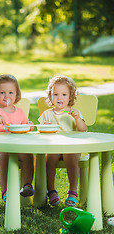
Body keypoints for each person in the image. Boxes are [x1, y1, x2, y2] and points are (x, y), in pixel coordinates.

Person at [0, 74, 35, 201]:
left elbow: (25, 128)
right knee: (2, 157)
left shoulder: (20, 112)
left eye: (11, 92)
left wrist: (29, 125)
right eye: (2, 93)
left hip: (18, 147)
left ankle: (27, 185)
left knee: (28, 156)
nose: (7, 96)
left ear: (17, 95)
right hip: (0, 147)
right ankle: (5, 190)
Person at [38, 75, 87, 207]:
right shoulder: (47, 114)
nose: (59, 98)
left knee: (71, 157)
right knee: (50, 160)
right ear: (50, 96)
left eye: (64, 94)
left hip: (71, 148)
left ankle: (72, 191)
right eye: (56, 94)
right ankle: (51, 191)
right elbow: (40, 133)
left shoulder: (73, 113)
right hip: (53, 148)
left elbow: (83, 130)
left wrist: (77, 119)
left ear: (70, 97)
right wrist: (44, 128)